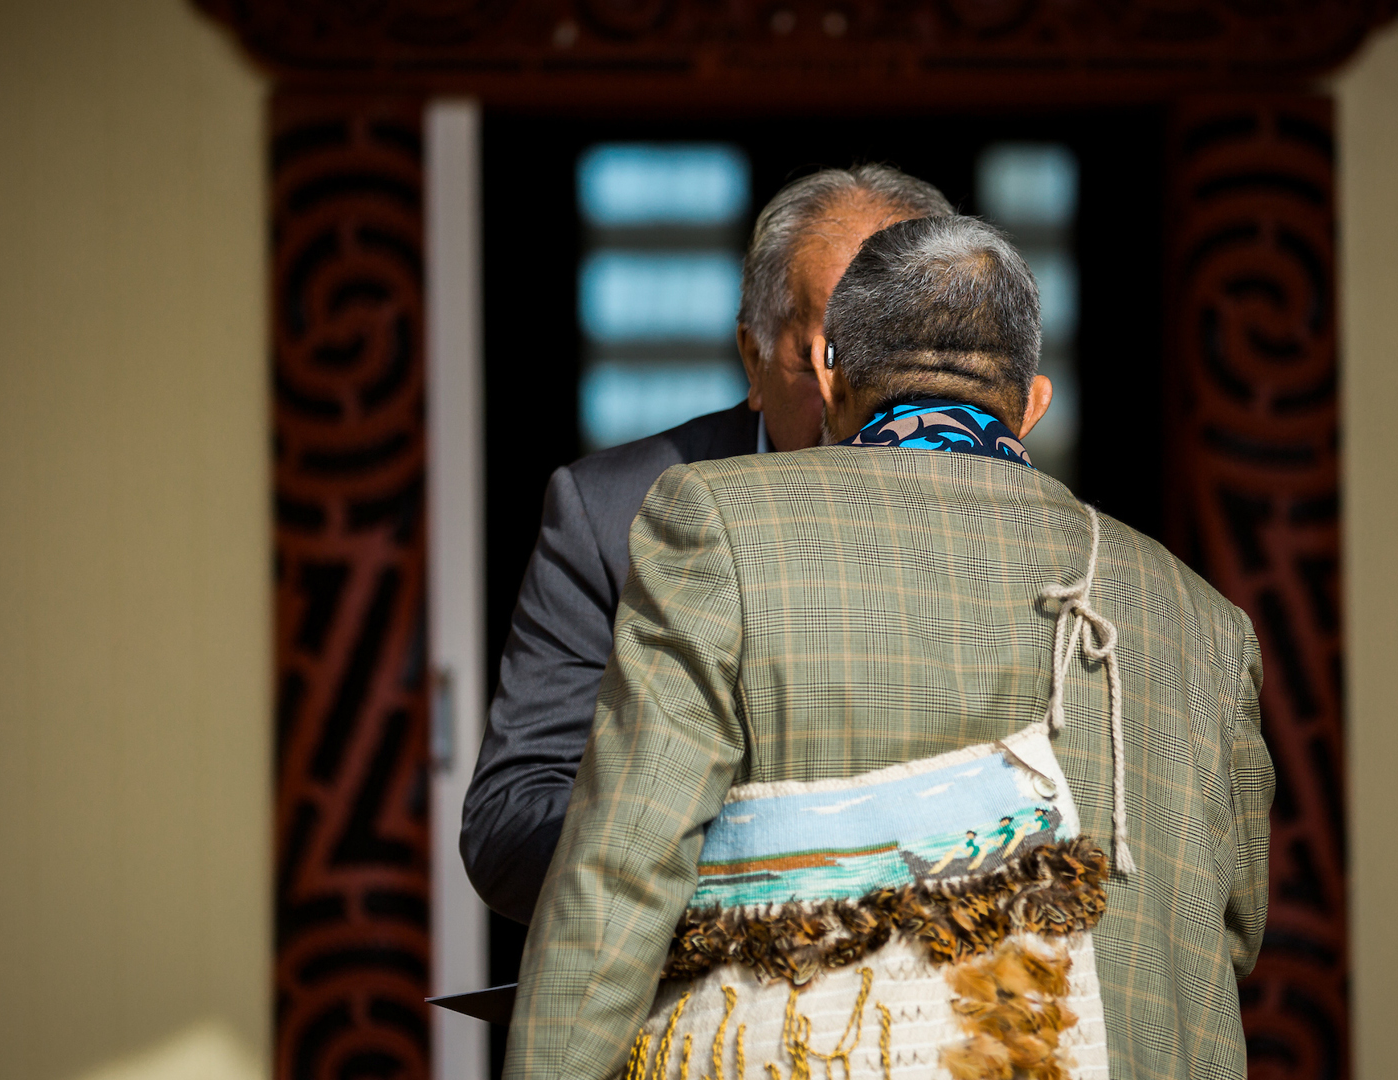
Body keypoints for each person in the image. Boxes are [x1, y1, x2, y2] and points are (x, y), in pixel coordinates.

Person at [505, 215, 1275, 1080]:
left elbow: (620, 882)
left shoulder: (719, 528)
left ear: (831, 373)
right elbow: (1234, 928)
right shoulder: (1205, 619)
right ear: (1032, 401)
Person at [461, 165, 956, 923]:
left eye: (899, 353)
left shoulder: (1010, 519)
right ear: (753, 355)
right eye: (828, 355)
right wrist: (756, 872)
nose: (867, 395)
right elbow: (511, 820)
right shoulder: (611, 514)